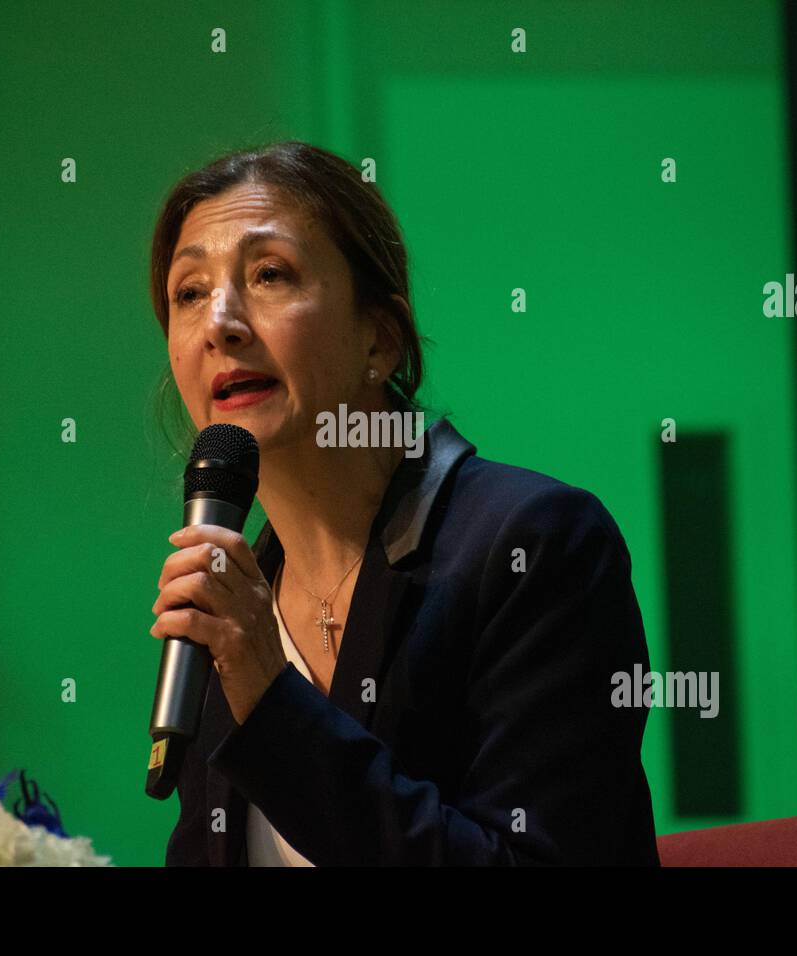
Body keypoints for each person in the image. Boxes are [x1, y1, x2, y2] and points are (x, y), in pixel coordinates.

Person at [148, 141, 660, 865]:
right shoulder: (227, 606)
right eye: (189, 292)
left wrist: (271, 701)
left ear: (380, 339)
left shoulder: (531, 546)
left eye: (268, 274)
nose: (219, 323)